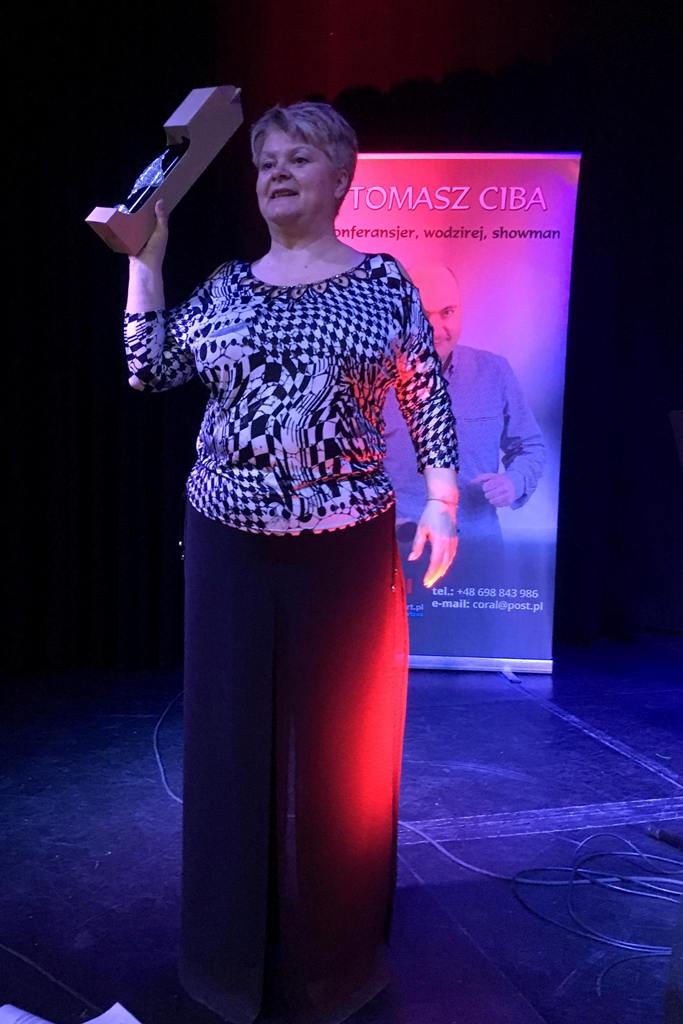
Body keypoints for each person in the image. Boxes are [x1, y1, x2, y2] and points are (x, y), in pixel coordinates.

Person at [122, 102, 459, 1024]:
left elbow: (423, 390)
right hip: (227, 542)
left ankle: (334, 962)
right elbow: (149, 370)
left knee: (341, 758)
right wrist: (145, 264)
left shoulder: (381, 284)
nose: (275, 170)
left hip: (344, 546)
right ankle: (223, 961)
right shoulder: (226, 287)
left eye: (298, 157)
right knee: (226, 746)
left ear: (340, 178)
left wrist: (443, 497)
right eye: (265, 159)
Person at [384, 262, 546, 558]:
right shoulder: (372, 381)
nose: (436, 329)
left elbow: (530, 447)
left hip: (479, 552)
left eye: (447, 312)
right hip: (397, 551)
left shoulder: (495, 372)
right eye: (423, 314)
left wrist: (515, 481)